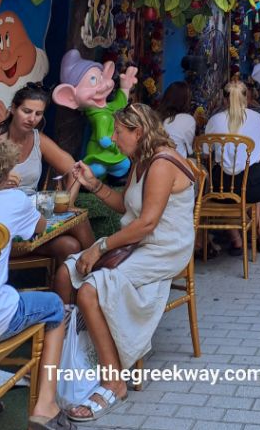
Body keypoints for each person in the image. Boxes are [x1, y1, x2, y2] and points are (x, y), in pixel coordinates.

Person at [55, 103, 196, 422]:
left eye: (119, 132)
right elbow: (125, 206)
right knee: (65, 273)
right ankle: (66, 362)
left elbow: (146, 223)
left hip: (163, 247)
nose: (114, 139)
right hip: (137, 241)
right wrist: (93, 184)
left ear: (139, 132)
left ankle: (113, 380)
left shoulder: (161, 163)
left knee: (90, 289)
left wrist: (98, 247)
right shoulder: (141, 159)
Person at [0, 141, 77, 430]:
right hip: (1, 315)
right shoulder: (13, 201)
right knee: (55, 305)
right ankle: (45, 406)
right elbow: (41, 226)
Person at [0, 84, 95, 263]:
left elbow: (75, 170)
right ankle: (100, 275)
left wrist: (68, 202)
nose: (32, 118)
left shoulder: (38, 140)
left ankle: (85, 284)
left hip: (32, 218)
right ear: (13, 108)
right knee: (80, 222)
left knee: (70, 246)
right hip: (5, 223)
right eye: (26, 111)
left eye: (38, 114)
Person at [205, 80, 260, 254]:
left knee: (221, 186)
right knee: (252, 198)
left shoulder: (214, 120)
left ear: (224, 99)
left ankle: (236, 241)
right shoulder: (257, 117)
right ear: (246, 97)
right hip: (253, 184)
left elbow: (205, 151)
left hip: (224, 186)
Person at [155, 81, 196, 157]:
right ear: (185, 100)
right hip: (178, 163)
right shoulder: (188, 119)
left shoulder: (155, 117)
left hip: (157, 162)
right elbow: (190, 150)